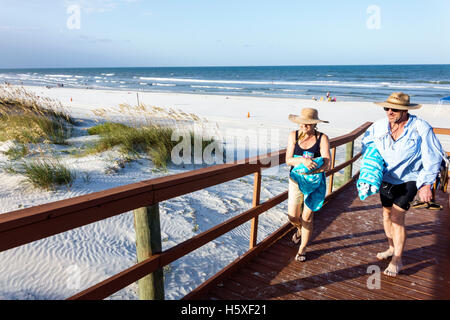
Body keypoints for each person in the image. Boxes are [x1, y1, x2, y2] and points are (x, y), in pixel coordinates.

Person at [361, 92, 444, 277]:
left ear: (405, 110)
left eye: (395, 109)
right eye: (387, 108)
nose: (389, 112)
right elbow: (366, 144)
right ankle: (391, 248)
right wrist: (371, 167)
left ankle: (397, 259)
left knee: (398, 218)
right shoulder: (379, 126)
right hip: (386, 177)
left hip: (410, 178)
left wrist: (426, 184)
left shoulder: (420, 127)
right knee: (386, 214)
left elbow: (433, 156)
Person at [286, 108, 331, 262]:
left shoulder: (322, 138)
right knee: (293, 216)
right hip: (295, 180)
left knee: (307, 217)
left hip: (315, 183)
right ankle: (299, 229)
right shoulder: (293, 136)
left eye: (308, 124)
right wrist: (302, 161)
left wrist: (314, 170)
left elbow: (327, 163)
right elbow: (288, 160)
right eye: (302, 124)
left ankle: (302, 249)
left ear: (314, 125)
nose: (304, 127)